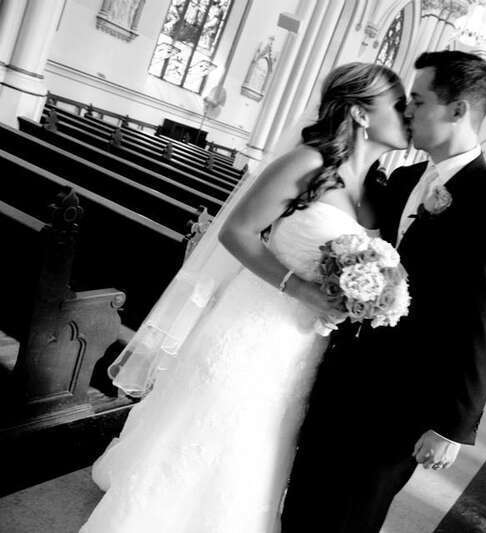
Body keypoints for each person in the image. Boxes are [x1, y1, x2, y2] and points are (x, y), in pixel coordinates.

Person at [80, 62, 410, 532]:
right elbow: (237, 232)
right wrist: (299, 289)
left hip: (305, 342)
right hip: (254, 321)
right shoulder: (307, 163)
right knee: (218, 422)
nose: (406, 114)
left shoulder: (376, 189)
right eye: (397, 104)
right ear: (360, 113)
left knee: (262, 436)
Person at [282, 51, 486, 533]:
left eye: (417, 100)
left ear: (458, 110)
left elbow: (485, 324)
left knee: (349, 518)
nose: (407, 111)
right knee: (304, 503)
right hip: (342, 375)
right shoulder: (404, 178)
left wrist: (451, 427)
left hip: (401, 404)